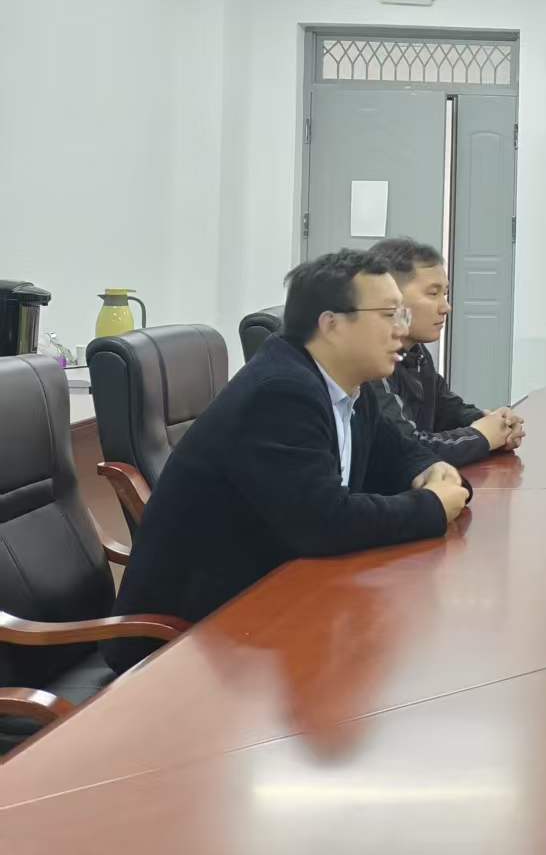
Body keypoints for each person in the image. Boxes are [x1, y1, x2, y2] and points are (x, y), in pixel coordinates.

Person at [102, 250, 470, 674]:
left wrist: (429, 470)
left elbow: (400, 455)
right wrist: (431, 505)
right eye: (390, 315)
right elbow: (325, 523)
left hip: (268, 603)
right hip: (191, 641)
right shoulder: (280, 393)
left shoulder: (351, 384)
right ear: (331, 324)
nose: (402, 330)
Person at [368, 236, 524, 467]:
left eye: (445, 294)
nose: (446, 307)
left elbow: (448, 411)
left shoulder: (417, 353)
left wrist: (497, 424)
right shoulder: (368, 362)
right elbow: (409, 448)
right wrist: (482, 437)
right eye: (433, 294)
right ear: (390, 298)